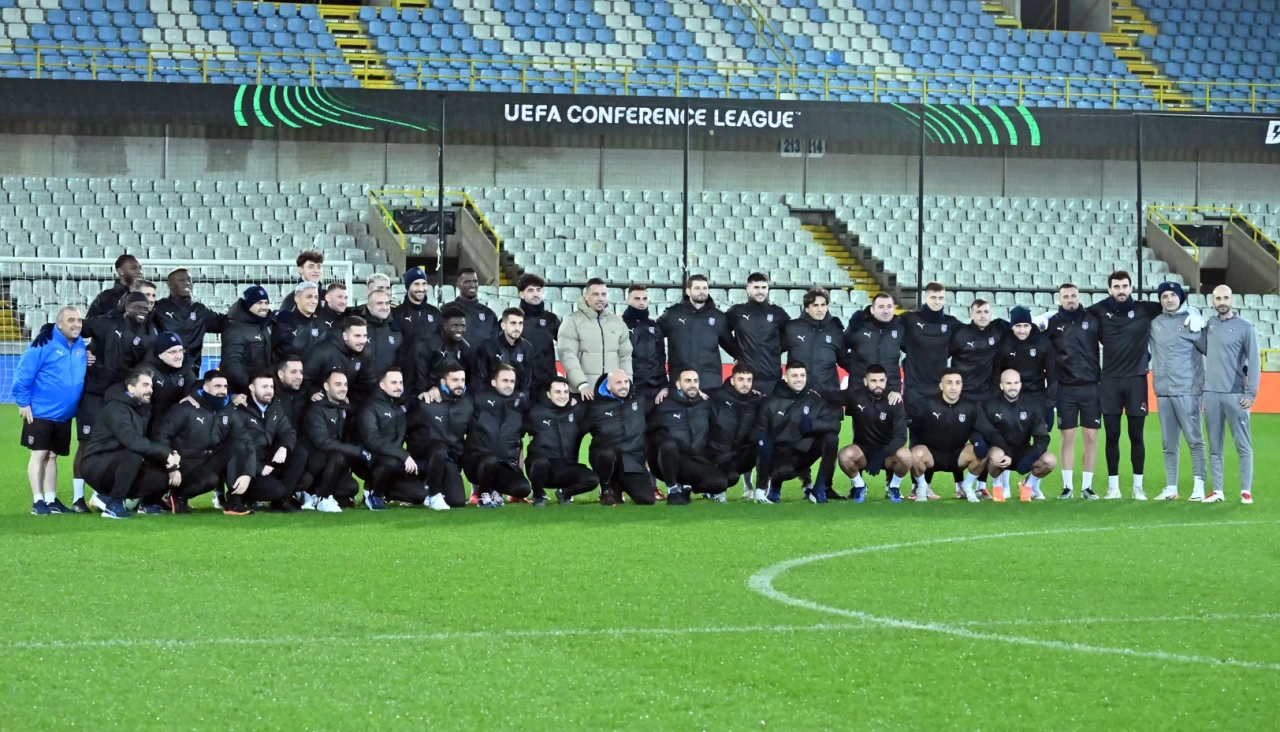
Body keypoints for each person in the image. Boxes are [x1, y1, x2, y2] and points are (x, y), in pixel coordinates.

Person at [1087, 271, 1200, 500]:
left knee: (1136, 435)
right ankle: (1113, 487)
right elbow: (1074, 315)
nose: (1121, 290)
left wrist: (1195, 312)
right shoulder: (1098, 310)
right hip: (1109, 381)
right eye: (1116, 286)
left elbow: (1175, 305)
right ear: (1109, 289)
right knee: (1112, 435)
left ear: (1131, 288)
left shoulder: (1145, 309)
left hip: (1136, 380)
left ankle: (1138, 488)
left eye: (1125, 286)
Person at [76, 291, 156, 502]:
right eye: (137, 307)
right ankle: (77, 499)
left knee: (119, 442)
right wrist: (80, 350)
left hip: (121, 397)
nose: (142, 312)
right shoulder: (105, 324)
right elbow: (75, 328)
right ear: (125, 307)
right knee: (86, 443)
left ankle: (103, 492)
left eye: (145, 308)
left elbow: (144, 367)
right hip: (94, 394)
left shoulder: (149, 335)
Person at [14, 305, 87, 515]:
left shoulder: (81, 344)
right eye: (71, 320)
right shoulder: (43, 344)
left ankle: (51, 499)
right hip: (40, 412)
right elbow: (23, 374)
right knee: (39, 454)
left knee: (53, 456)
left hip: (64, 415)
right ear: (59, 324)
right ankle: (38, 501)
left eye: (79, 321)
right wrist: (23, 403)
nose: (76, 325)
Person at [81, 370, 180, 520]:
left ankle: (129, 501)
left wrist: (171, 458)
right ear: (130, 388)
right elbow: (132, 442)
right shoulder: (116, 408)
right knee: (134, 454)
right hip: (95, 463)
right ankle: (114, 505)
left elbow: (147, 441)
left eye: (151, 386)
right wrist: (165, 454)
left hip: (119, 462)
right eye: (145, 385)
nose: (150, 390)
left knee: (163, 477)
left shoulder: (142, 408)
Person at [153, 369, 254, 515]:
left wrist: (248, 474)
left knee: (237, 446)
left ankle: (234, 502)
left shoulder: (229, 411)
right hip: (183, 465)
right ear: (205, 388)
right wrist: (171, 465)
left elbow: (246, 442)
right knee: (210, 480)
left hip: (206, 463)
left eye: (225, 387)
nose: (222, 391)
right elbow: (162, 436)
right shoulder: (184, 408)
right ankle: (179, 495)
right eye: (217, 386)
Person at [1149, 281, 1208, 502]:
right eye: (1164, 296)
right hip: (1163, 391)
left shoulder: (1193, 322)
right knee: (1168, 442)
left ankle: (1199, 486)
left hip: (1188, 390)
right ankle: (1171, 487)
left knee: (1195, 440)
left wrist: (1196, 314)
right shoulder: (1154, 323)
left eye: (1173, 295)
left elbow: (1210, 349)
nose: (1169, 299)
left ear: (1181, 297)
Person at [1044, 282, 1102, 499]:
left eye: (1073, 295)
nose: (1070, 299)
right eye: (1066, 296)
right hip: (1065, 388)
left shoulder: (1092, 320)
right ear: (1059, 299)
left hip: (1090, 386)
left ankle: (1087, 487)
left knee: (1090, 436)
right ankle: (1067, 486)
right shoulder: (1052, 323)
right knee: (1067, 436)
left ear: (1079, 296)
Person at [753, 361, 842, 503]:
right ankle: (774, 485)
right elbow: (759, 432)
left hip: (804, 450)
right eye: (794, 375)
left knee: (831, 438)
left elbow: (834, 424)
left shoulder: (814, 399)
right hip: (781, 455)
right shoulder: (771, 402)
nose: (799, 379)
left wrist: (812, 425)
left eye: (802, 375)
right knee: (783, 471)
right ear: (786, 378)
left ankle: (819, 489)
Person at [908, 369, 1001, 503]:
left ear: (961, 386)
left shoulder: (970, 406)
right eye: (949, 383)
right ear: (941, 386)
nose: (953, 387)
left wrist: (1003, 449)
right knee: (914, 454)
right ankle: (922, 487)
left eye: (957, 383)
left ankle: (966, 486)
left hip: (957, 455)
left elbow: (986, 430)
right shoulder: (926, 404)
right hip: (932, 455)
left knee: (982, 453)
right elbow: (912, 426)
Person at [1203, 285, 1258, 504]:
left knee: (1243, 445)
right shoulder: (1209, 325)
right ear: (1212, 301)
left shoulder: (1245, 327)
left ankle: (1246, 490)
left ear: (1232, 300)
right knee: (1214, 446)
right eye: (1218, 298)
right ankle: (1217, 490)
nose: (1222, 301)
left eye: (1226, 297)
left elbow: (1254, 362)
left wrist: (1251, 394)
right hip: (1211, 395)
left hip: (1235, 394)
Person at [647, 368, 731, 505]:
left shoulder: (705, 404)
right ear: (678, 385)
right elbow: (650, 431)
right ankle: (673, 490)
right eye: (687, 381)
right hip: (672, 460)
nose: (692, 385)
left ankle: (687, 487)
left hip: (696, 460)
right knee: (668, 445)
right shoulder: (664, 405)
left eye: (695, 381)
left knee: (721, 483)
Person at [833, 365, 912, 503]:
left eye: (881, 380)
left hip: (887, 454)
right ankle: (859, 485)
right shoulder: (856, 396)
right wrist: (812, 392)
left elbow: (901, 437)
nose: (878, 385)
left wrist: (881, 455)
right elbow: (831, 396)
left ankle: (893, 487)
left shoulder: (894, 400)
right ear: (865, 382)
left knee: (906, 456)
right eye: (873, 381)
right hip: (863, 452)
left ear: (886, 381)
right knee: (844, 455)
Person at [979, 369, 1057, 502]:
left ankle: (1027, 485)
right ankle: (997, 486)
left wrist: (1029, 458)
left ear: (1020, 384)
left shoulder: (1031, 405)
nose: (1013, 387)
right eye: (1008, 383)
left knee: (1050, 461)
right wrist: (1008, 453)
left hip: (1023, 452)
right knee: (995, 456)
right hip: (1001, 450)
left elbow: (1042, 437)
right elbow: (990, 434)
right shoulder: (990, 405)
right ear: (1001, 385)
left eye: (1016, 383)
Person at [461, 363, 532, 508]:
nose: (509, 385)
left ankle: (495, 492)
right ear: (494, 382)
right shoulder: (478, 399)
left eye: (512, 381)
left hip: (505, 464)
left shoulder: (520, 402)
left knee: (523, 488)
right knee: (491, 461)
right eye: (505, 380)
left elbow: (525, 430)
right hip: (478, 462)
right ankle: (483, 495)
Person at [357, 367, 428, 510]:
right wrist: (403, 454)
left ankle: (385, 491)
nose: (398, 387)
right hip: (371, 460)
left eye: (400, 383)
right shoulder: (369, 407)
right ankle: (373, 494)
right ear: (382, 386)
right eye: (394, 383)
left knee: (418, 496)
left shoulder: (402, 405)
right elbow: (372, 440)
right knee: (389, 462)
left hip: (395, 461)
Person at [581, 369, 656, 506]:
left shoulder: (639, 400)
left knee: (647, 499)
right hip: (605, 457)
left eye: (626, 382)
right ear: (608, 386)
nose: (623, 386)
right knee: (607, 454)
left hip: (632, 459)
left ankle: (618, 485)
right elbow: (578, 431)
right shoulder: (595, 406)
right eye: (618, 382)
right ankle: (605, 490)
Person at [898, 282, 962, 436]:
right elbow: (887, 325)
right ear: (925, 297)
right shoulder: (910, 319)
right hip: (914, 389)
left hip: (939, 389)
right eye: (933, 297)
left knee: (939, 435)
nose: (937, 301)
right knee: (915, 435)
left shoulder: (951, 323)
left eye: (941, 298)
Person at [297, 369, 365, 513]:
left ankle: (314, 495)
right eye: (338, 384)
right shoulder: (316, 410)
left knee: (351, 487)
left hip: (329, 463)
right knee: (337, 456)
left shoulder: (342, 407)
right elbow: (323, 443)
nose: (343, 388)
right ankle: (323, 498)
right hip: (312, 464)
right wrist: (355, 451)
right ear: (326, 387)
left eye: (345, 385)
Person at [236, 371, 305, 513]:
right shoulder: (240, 409)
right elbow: (238, 447)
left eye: (271, 387)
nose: (269, 391)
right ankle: (247, 497)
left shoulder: (275, 407)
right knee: (277, 490)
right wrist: (259, 467)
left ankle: (282, 501)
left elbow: (289, 432)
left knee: (301, 455)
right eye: (264, 387)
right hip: (248, 468)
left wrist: (284, 447)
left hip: (268, 461)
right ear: (252, 388)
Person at [406, 365, 473, 510]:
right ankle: (433, 495)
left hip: (449, 458)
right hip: (427, 456)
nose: (459, 384)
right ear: (443, 382)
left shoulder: (467, 404)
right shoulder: (427, 402)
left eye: (462, 380)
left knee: (457, 501)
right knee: (439, 449)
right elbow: (408, 428)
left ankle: (431, 487)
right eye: (454, 380)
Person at [523, 376, 597, 506]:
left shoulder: (576, 411)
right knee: (540, 463)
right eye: (557, 392)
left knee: (592, 479)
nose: (562, 396)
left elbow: (596, 410)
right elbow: (516, 431)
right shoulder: (535, 412)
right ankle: (538, 495)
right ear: (548, 394)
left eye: (565, 392)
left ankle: (564, 493)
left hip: (565, 468)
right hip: (541, 468)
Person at [560, 279, 633, 401]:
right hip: (584, 393)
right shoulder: (572, 322)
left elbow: (625, 356)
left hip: (611, 393)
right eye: (595, 294)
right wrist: (581, 384)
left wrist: (627, 384)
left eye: (603, 294)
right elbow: (567, 355)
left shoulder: (618, 323)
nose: (600, 298)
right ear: (586, 296)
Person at [658, 274, 733, 391]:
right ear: (688, 291)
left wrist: (741, 358)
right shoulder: (672, 314)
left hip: (710, 381)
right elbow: (653, 335)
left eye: (705, 288)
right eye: (697, 288)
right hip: (680, 379)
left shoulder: (718, 317)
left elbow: (730, 345)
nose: (702, 291)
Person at [706, 363, 764, 500]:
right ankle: (714, 489)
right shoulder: (715, 396)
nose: (745, 384)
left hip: (739, 455)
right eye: (741, 379)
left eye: (749, 380)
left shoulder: (755, 400)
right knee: (730, 478)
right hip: (718, 456)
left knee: (764, 445)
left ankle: (761, 490)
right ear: (732, 380)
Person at [725, 272, 790, 393]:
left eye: (764, 287)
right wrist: (737, 353)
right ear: (748, 289)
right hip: (746, 379)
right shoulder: (737, 312)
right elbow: (723, 334)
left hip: (772, 378)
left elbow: (790, 335)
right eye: (756, 287)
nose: (760, 291)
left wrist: (776, 349)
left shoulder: (777, 312)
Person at [995, 306, 1055, 430]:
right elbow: (996, 373)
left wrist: (1049, 404)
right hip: (1012, 395)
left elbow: (1052, 374)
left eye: (1025, 326)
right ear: (1012, 326)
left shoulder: (1042, 342)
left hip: (1037, 394)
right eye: (1018, 326)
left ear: (1031, 325)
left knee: (1042, 435)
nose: (1022, 330)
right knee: (1013, 435)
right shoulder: (1005, 343)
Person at [152, 267, 226, 366]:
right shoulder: (159, 308)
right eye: (181, 280)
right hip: (163, 369)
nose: (187, 283)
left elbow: (226, 322)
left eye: (189, 280)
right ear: (171, 285)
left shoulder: (200, 310)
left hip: (192, 370)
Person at [781, 287, 846, 394]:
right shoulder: (792, 328)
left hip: (829, 394)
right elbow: (773, 352)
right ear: (806, 308)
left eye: (823, 305)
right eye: (815, 305)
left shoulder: (835, 329)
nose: (820, 309)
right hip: (799, 393)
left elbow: (844, 359)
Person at [950, 298, 1009, 404]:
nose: (983, 315)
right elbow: (941, 355)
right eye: (978, 312)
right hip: (964, 392)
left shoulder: (998, 329)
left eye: (986, 312)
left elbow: (1020, 327)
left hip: (987, 393)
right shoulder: (960, 334)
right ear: (971, 315)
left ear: (991, 315)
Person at [844, 292, 905, 394]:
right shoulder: (858, 327)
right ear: (872, 309)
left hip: (890, 392)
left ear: (894, 309)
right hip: (859, 390)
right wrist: (853, 369)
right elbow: (840, 349)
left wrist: (897, 389)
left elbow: (914, 352)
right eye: (881, 307)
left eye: (889, 306)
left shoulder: (900, 328)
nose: (886, 311)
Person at [352, 289, 404, 403]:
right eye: (379, 303)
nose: (385, 307)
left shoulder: (395, 330)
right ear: (369, 307)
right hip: (359, 395)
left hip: (387, 396)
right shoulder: (358, 328)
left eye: (387, 303)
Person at [221, 285, 275, 395]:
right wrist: (251, 385)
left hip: (265, 387)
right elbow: (231, 364)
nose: (264, 307)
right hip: (244, 390)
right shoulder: (235, 328)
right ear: (248, 305)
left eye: (266, 303)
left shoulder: (268, 323)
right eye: (259, 303)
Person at [515, 273, 561, 394]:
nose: (535, 294)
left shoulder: (551, 319)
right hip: (520, 382)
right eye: (530, 290)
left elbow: (567, 343)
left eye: (538, 290)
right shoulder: (513, 319)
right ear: (521, 294)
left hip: (546, 382)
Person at [621, 284, 667, 403]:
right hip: (629, 389)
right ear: (627, 300)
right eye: (637, 299)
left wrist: (664, 385)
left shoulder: (655, 327)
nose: (641, 302)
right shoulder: (619, 325)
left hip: (654, 390)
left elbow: (660, 359)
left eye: (644, 299)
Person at [141, 331, 194, 433]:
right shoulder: (146, 370)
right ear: (159, 355)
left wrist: (194, 395)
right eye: (172, 352)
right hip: (151, 426)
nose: (179, 356)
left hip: (175, 423)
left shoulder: (186, 368)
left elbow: (193, 387)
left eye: (180, 351)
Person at [473, 308, 535, 396]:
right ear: (503, 325)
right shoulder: (487, 346)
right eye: (513, 323)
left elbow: (526, 383)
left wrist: (522, 399)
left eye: (520, 323)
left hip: (515, 398)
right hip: (491, 398)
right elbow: (481, 379)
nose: (517, 328)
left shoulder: (527, 348)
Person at [303, 315, 367, 396]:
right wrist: (314, 393)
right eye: (357, 336)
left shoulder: (364, 352)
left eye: (365, 336)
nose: (363, 341)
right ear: (345, 336)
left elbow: (364, 384)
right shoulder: (322, 352)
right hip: (320, 403)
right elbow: (305, 381)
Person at [273, 282, 328, 363]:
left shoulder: (320, 323)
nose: (314, 301)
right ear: (297, 299)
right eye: (309, 297)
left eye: (316, 297)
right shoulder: (285, 322)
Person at [392, 268, 443, 353]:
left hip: (432, 365)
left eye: (424, 284)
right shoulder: (397, 313)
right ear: (408, 286)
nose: (421, 288)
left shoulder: (436, 313)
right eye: (416, 284)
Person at [451, 268, 498, 345]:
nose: (472, 285)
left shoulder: (489, 313)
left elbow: (494, 343)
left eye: (475, 281)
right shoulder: (447, 310)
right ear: (458, 285)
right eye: (467, 282)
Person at [86, 253, 141, 319]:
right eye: (133, 268)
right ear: (121, 271)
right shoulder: (105, 297)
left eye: (140, 268)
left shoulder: (146, 294)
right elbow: (90, 321)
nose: (139, 272)